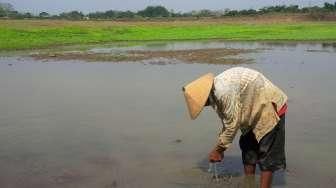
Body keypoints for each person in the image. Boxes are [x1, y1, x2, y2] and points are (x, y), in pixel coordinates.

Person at [182, 67, 287, 188]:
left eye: (202, 104)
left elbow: (232, 125)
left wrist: (219, 149)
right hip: (250, 108)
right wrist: (220, 146)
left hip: (268, 104)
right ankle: (249, 184)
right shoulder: (214, 94)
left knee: (267, 155)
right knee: (248, 146)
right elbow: (228, 121)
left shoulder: (222, 92)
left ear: (204, 97)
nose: (204, 106)